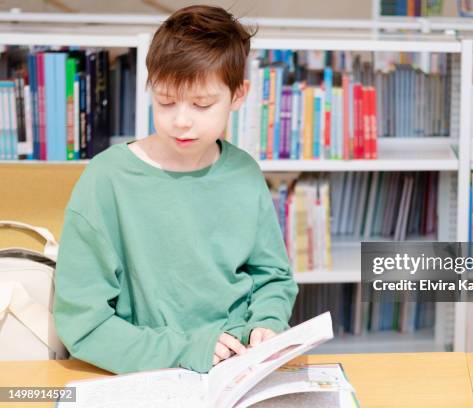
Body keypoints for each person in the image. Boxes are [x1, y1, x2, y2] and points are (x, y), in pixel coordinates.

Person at [53, 5, 299, 374]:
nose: (181, 121)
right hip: (150, 369)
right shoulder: (107, 180)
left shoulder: (244, 173)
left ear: (238, 95)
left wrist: (267, 322)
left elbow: (272, 277)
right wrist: (184, 350)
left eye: (202, 104)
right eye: (166, 101)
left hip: (237, 367)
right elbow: (83, 324)